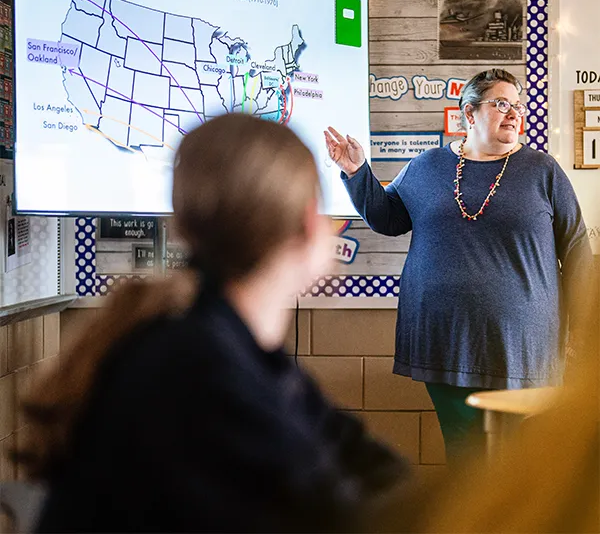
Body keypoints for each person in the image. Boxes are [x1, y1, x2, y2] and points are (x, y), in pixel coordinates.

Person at [15, 114, 408, 533]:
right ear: (311, 222)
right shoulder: (196, 367)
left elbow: (360, 459)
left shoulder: (231, 344)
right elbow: (334, 512)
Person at [324, 68, 594, 467]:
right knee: (465, 455)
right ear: (469, 113)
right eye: (501, 103)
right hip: (444, 340)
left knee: (517, 461)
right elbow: (388, 218)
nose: (513, 112)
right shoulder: (427, 166)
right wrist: (355, 170)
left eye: (517, 105)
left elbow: (575, 252)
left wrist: (585, 336)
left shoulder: (543, 171)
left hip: (522, 345)